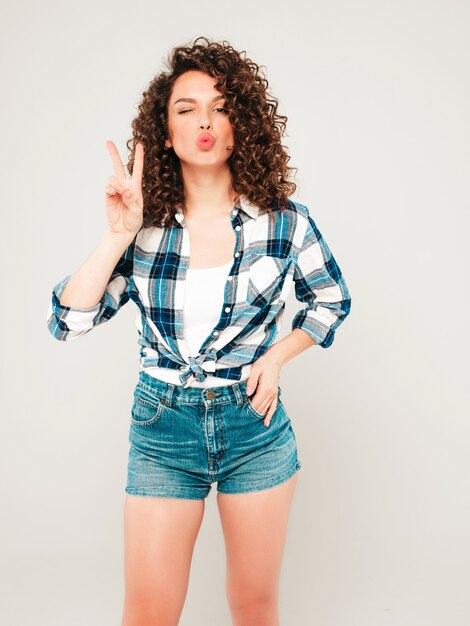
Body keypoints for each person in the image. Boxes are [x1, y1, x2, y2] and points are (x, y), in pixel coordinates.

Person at [47, 36, 351, 626]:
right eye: (186, 109)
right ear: (164, 133)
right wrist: (116, 236)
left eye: (220, 107)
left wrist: (278, 356)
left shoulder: (285, 221)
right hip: (164, 428)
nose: (204, 121)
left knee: (254, 606)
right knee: (149, 611)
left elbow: (330, 299)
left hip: (254, 427)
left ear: (241, 126)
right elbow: (68, 321)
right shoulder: (144, 232)